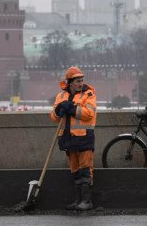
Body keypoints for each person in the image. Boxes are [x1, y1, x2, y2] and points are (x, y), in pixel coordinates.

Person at [49, 66, 97, 211]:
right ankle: (78, 200)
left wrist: (71, 108)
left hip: (84, 138)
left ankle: (87, 201)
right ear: (69, 82)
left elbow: (89, 113)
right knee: (75, 170)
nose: (80, 84)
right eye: (77, 81)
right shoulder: (61, 96)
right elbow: (54, 117)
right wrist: (58, 110)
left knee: (85, 170)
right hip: (68, 139)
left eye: (82, 80)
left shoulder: (89, 94)